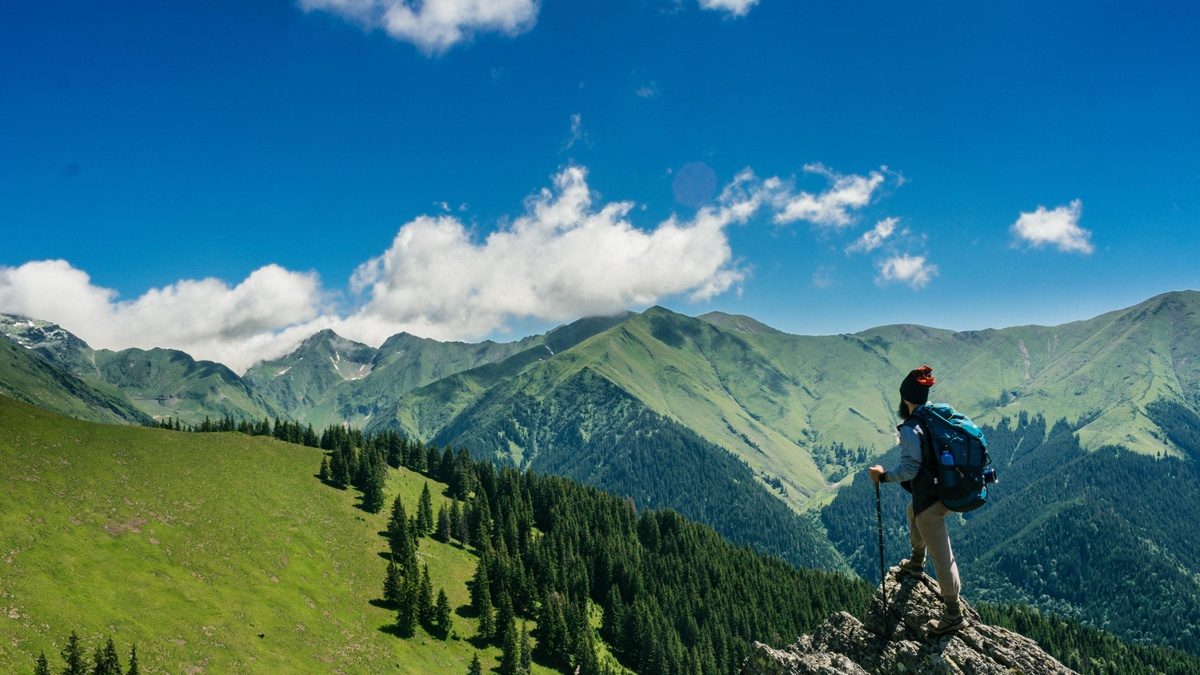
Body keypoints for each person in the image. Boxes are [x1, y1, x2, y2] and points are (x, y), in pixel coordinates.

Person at [869, 365, 965, 635]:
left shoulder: (913, 428)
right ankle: (916, 561)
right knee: (914, 511)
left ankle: (953, 613)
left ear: (905, 399)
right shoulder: (937, 414)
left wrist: (883, 476)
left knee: (942, 555)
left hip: (933, 499)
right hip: (947, 488)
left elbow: (910, 469)